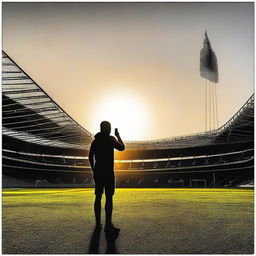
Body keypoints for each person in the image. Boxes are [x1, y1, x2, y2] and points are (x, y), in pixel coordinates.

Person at [89, 121, 125, 233]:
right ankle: (108, 224)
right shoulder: (111, 139)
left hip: (98, 172)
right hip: (108, 173)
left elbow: (90, 156)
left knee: (98, 197)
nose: (109, 129)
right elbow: (122, 148)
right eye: (108, 127)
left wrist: (93, 170)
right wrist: (118, 135)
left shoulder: (95, 141)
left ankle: (98, 223)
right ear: (107, 129)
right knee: (109, 198)